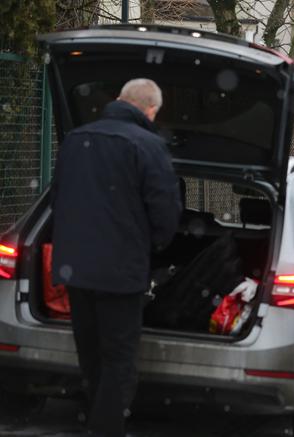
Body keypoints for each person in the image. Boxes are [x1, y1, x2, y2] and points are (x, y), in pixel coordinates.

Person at [51, 78, 182, 437]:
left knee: (90, 356)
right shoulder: (150, 146)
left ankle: (94, 417)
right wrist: (153, 247)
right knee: (119, 361)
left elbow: (58, 199)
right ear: (151, 109)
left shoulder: (77, 139)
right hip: (120, 273)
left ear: (119, 100)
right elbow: (165, 212)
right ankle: (105, 428)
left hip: (75, 269)